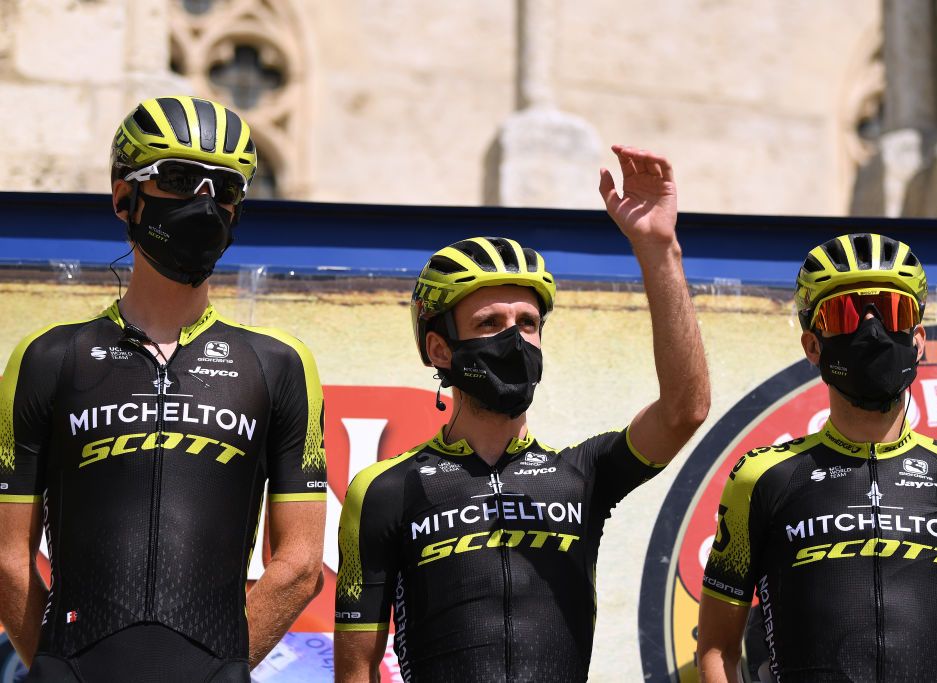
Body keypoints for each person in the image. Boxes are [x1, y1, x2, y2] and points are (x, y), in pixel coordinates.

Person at [333, 146, 711, 681]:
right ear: (440, 350)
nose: (514, 338)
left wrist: (659, 249)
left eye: (528, 322)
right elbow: (355, 671)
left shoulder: (582, 475)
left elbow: (685, 410)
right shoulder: (384, 489)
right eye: (490, 322)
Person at [0, 96, 327, 682]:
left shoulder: (279, 364)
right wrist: (58, 665)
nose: (204, 200)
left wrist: (216, 667)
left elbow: (300, 566)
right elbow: (5, 558)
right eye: (178, 179)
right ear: (125, 198)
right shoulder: (47, 358)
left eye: (224, 188)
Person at [697, 233, 937, 682]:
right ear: (812, 346)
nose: (872, 329)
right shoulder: (761, 478)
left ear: (919, 339)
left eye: (892, 311)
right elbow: (715, 649)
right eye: (845, 315)